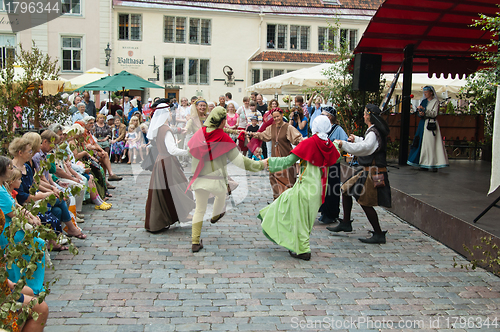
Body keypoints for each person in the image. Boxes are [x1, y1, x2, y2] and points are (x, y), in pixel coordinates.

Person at [260, 115, 341, 260]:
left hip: (305, 188)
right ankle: (294, 241)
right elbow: (338, 156)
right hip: (319, 191)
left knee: (299, 218)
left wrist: (269, 162)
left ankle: (303, 250)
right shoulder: (331, 145)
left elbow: (287, 161)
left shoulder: (308, 143)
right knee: (296, 212)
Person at [187, 107, 265, 252]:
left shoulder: (200, 134)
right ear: (223, 121)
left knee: (199, 210)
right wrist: (261, 164)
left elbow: (189, 150)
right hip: (217, 181)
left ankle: (195, 242)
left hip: (199, 178)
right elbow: (241, 162)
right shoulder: (223, 138)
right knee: (221, 196)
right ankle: (216, 215)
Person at [328, 104, 392, 244]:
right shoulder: (373, 131)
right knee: (345, 189)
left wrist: (343, 144)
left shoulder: (374, 132)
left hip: (373, 173)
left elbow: (366, 148)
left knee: (365, 202)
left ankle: (379, 233)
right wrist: (356, 139)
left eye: (364, 113)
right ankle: (345, 223)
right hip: (367, 170)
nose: (363, 116)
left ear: (369, 115)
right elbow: (367, 144)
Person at [145, 103, 195, 232]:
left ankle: (163, 219)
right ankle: (181, 214)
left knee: (165, 192)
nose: (171, 113)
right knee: (179, 188)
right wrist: (189, 152)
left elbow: (169, 131)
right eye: (169, 111)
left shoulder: (160, 127)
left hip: (161, 161)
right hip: (167, 163)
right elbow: (172, 150)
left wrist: (179, 130)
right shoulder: (165, 130)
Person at [249, 108, 303, 200]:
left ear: (282, 116)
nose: (276, 119)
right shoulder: (271, 128)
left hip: (286, 158)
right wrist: (254, 134)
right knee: (274, 178)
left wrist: (304, 144)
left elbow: (297, 138)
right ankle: (277, 200)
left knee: (288, 179)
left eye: (278, 116)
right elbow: (264, 135)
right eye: (274, 117)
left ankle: (289, 199)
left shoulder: (288, 127)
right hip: (275, 157)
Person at [407, 85, 449, 171]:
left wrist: (425, 111)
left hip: (431, 124)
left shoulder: (435, 102)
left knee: (431, 144)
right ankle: (423, 163)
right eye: (424, 93)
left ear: (431, 92)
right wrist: (420, 113)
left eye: (426, 92)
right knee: (422, 144)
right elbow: (420, 113)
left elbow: (434, 113)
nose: (425, 94)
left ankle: (433, 164)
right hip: (423, 124)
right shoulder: (423, 101)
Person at [318, 106, 348, 224]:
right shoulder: (321, 129)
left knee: (332, 188)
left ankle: (332, 213)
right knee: (323, 187)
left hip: (333, 163)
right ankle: (324, 211)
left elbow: (345, 143)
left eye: (323, 115)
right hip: (322, 164)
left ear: (329, 117)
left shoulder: (338, 129)